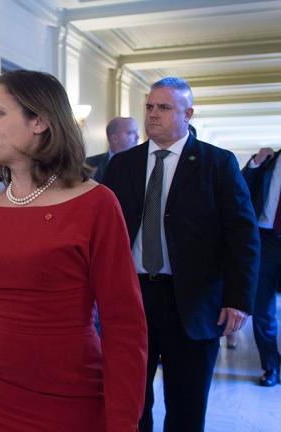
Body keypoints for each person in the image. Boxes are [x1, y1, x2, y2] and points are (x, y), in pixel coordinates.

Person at [0, 70, 147, 431]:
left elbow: (124, 325)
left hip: (67, 399)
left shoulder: (96, 204)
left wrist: (123, 420)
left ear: (39, 120)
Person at [104, 77, 260, 432]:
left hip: (192, 302)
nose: (153, 115)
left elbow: (242, 235)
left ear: (187, 114)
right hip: (133, 298)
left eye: (164, 108)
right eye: (149, 107)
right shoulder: (122, 165)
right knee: (130, 400)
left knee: (187, 405)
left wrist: (238, 299)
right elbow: (106, 233)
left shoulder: (216, 164)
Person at [242, 146, 281, 386]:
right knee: (262, 307)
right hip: (265, 240)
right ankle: (271, 366)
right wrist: (255, 163)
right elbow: (241, 187)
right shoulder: (268, 160)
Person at [85, 116, 139, 182]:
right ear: (114, 138)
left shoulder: (142, 164)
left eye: (136, 132)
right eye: (131, 133)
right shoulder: (88, 164)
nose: (137, 137)